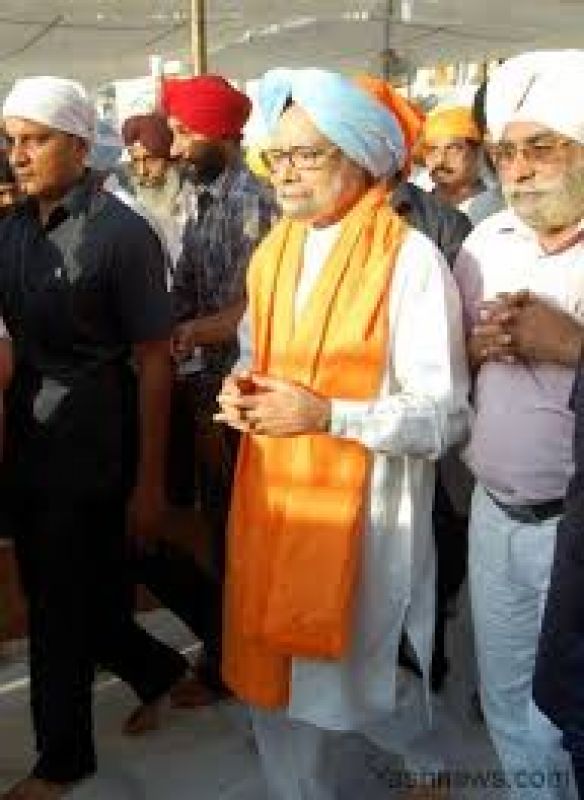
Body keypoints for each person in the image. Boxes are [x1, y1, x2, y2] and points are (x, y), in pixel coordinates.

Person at [215, 67, 469, 799]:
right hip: (273, 506)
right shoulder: (275, 252)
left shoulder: (410, 261)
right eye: (277, 155)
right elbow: (253, 356)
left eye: (307, 154)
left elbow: (447, 415)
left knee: (349, 681)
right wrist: (242, 389)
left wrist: (329, 416)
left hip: (364, 522)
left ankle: (428, 764)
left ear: (360, 158)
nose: (285, 172)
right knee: (273, 678)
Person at [0, 76, 190, 800]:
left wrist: (148, 484)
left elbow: (152, 361)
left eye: (36, 139)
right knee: (73, 593)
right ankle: (162, 671)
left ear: (80, 145)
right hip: (30, 441)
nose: (19, 154)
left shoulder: (122, 234)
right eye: (11, 140)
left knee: (56, 605)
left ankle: (63, 761)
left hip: (98, 446)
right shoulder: (11, 232)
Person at [454, 49, 584, 799]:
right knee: (505, 698)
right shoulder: (484, 243)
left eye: (541, 147)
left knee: (559, 711)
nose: (519, 169)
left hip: (576, 529)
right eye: (505, 152)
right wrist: (475, 346)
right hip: (494, 515)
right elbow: (449, 367)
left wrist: (564, 342)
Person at [159, 76, 277, 673]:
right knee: (218, 527)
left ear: (221, 131)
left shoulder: (255, 204)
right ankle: (231, 651)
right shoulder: (200, 200)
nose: (174, 148)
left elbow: (259, 308)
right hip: (206, 388)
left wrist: (196, 332)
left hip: (246, 398)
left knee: (244, 534)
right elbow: (186, 292)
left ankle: (244, 658)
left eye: (183, 133)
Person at [121, 112, 187, 268]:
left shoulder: (194, 204)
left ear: (171, 160)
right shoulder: (126, 205)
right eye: (136, 161)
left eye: (151, 159)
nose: (142, 171)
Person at [422, 104, 503, 226]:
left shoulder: (497, 212)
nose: (440, 159)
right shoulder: (410, 207)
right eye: (432, 149)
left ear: (478, 152)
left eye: (452, 149)